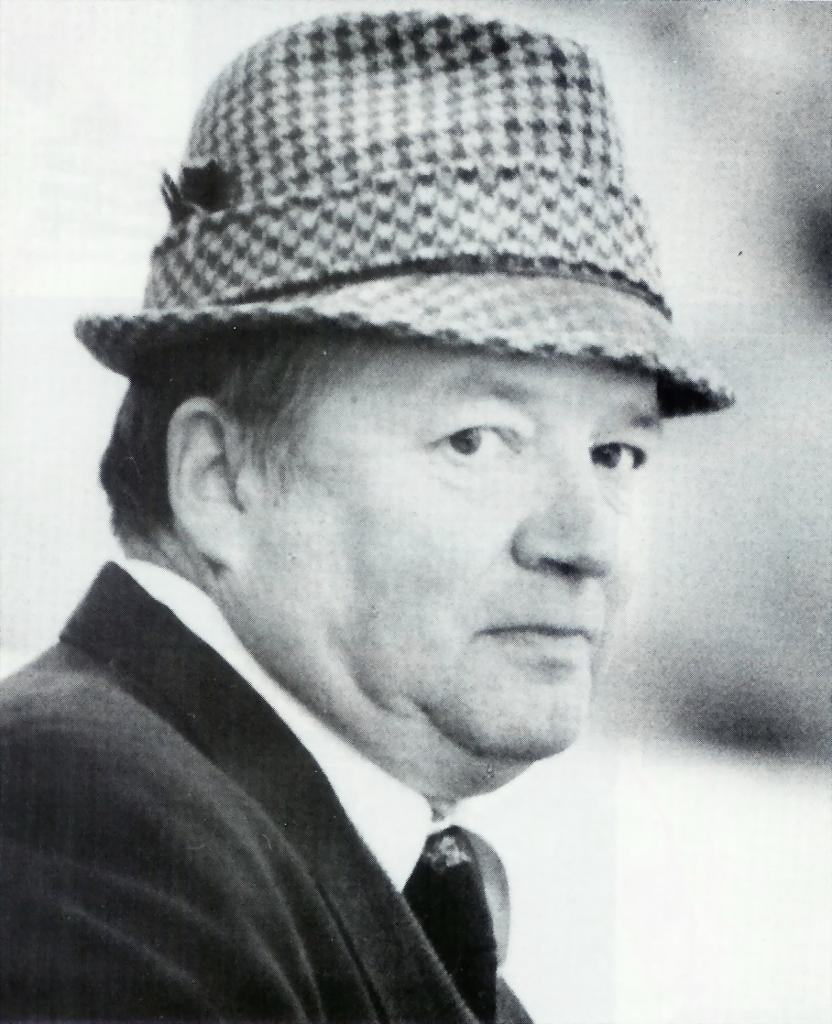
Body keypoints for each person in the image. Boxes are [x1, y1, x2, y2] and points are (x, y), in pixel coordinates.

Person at [0, 11, 732, 1023]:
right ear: (219, 478)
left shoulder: (289, 856)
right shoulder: (85, 820)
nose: (585, 542)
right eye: (477, 440)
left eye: (616, 454)